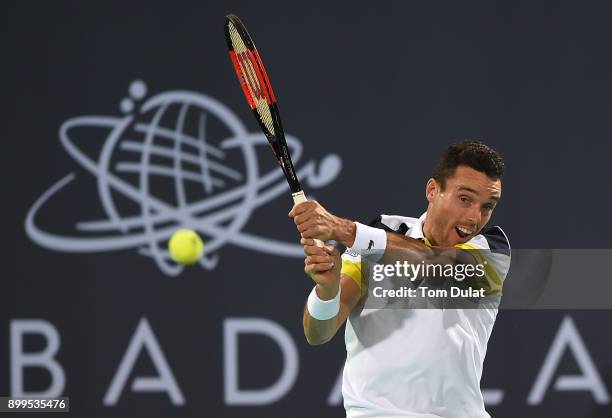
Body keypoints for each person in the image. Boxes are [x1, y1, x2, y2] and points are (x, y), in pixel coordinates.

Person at [289, 140, 510, 418]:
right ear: (433, 190)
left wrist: (342, 230)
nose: (474, 217)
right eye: (464, 199)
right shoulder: (380, 232)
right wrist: (327, 288)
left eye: (487, 206)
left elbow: (433, 263)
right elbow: (318, 333)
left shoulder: (492, 250)